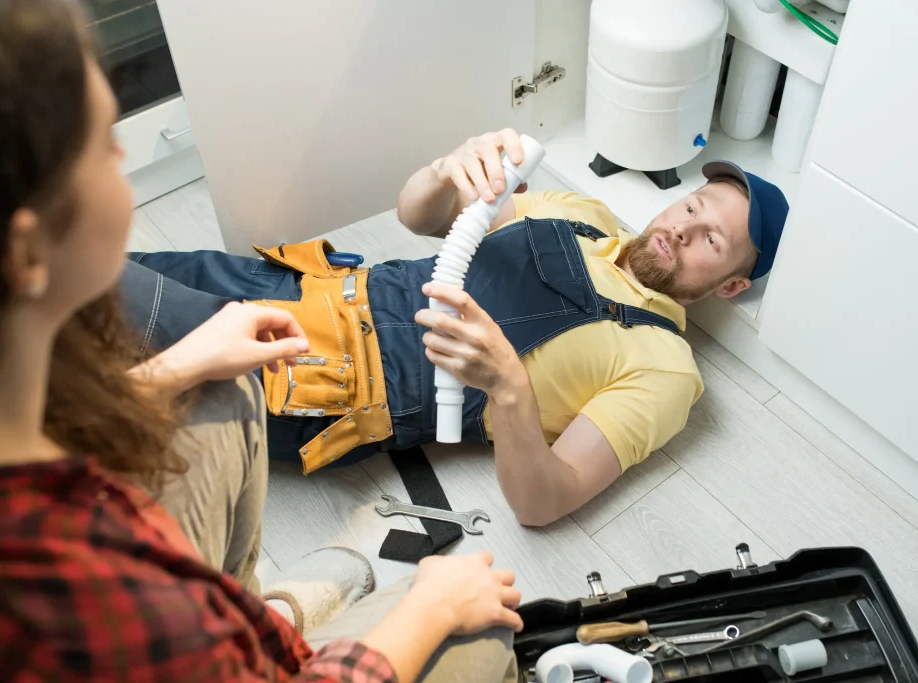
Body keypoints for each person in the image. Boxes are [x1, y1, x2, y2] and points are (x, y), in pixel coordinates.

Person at [0, 2, 524, 681]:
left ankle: (261, 612)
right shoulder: (107, 605)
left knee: (224, 383)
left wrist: (181, 363)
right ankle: (268, 626)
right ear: (28, 250)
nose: (123, 155)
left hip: (197, 620)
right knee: (485, 640)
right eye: (101, 146)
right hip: (205, 650)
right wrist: (434, 608)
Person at [124, 130, 789, 528]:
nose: (682, 228)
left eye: (712, 240)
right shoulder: (580, 211)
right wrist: (445, 169)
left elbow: (545, 500)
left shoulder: (666, 369)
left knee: (89, 339)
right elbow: (422, 218)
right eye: (693, 206)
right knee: (82, 274)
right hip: (304, 285)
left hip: (323, 375)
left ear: (729, 286)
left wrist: (509, 387)